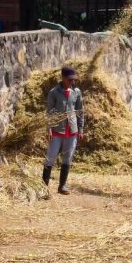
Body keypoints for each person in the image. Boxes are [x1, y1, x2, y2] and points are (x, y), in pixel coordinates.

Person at [43, 66, 84, 195]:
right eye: (69, 79)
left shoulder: (76, 92)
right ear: (62, 78)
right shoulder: (54, 92)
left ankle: (62, 186)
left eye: (73, 80)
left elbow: (80, 111)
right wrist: (49, 129)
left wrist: (81, 129)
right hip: (57, 131)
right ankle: (44, 188)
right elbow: (49, 112)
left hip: (72, 131)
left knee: (67, 158)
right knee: (50, 158)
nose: (72, 82)